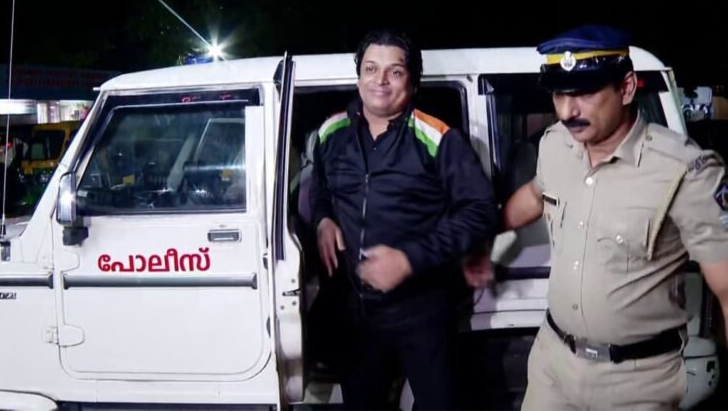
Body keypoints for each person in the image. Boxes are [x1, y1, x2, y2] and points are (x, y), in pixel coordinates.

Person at [500, 24, 728, 410]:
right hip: (552, 365)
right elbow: (536, 195)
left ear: (626, 88)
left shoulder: (686, 170)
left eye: (585, 94)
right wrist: (483, 234)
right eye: (560, 94)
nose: (568, 111)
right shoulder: (555, 144)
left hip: (637, 382)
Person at [310, 28, 498, 410]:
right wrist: (323, 219)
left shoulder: (439, 138)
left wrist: (410, 259)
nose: (380, 80)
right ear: (358, 77)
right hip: (356, 310)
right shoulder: (332, 132)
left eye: (394, 71)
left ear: (412, 83)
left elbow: (480, 211)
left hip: (423, 309)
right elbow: (320, 186)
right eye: (370, 69)